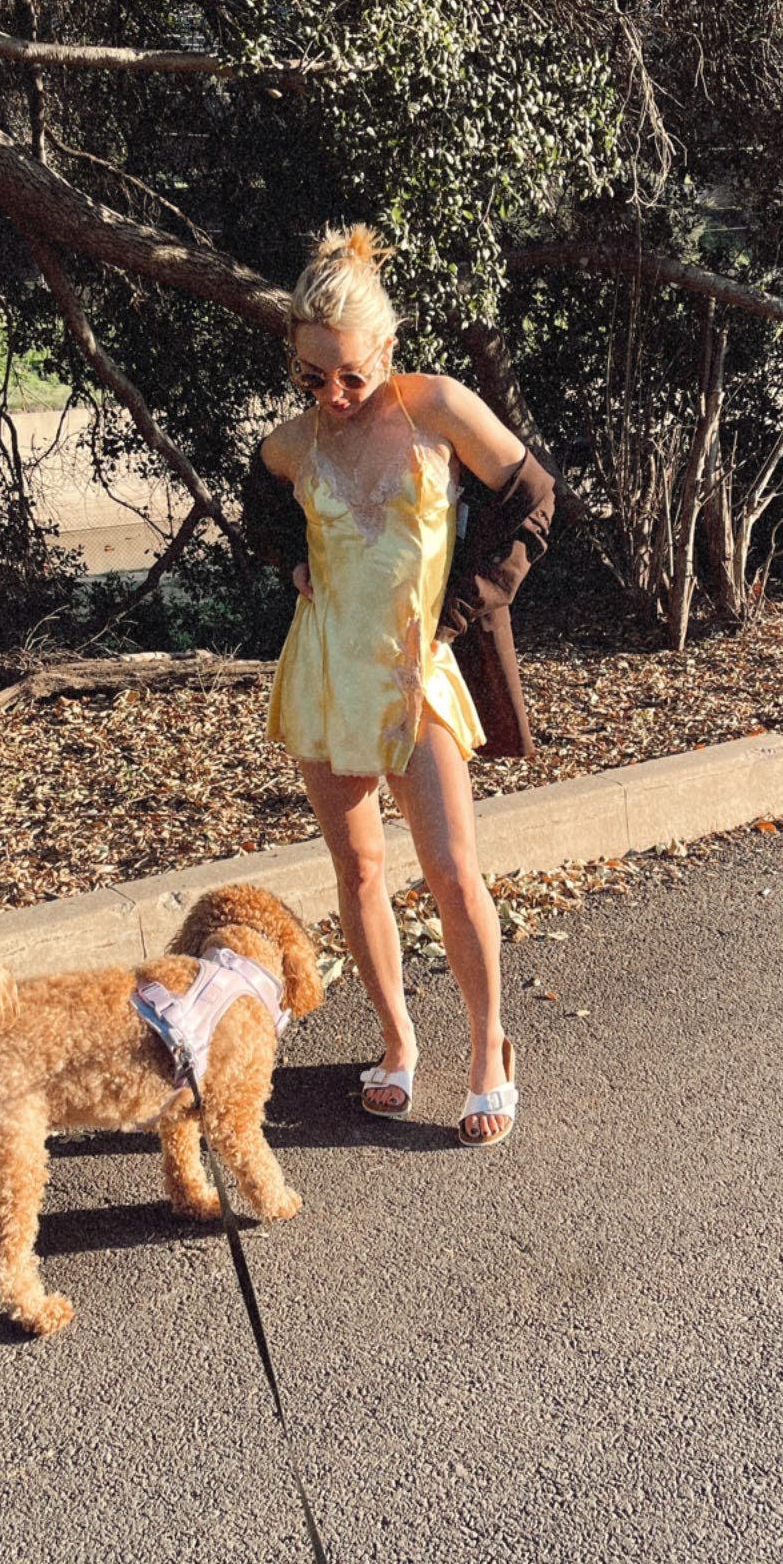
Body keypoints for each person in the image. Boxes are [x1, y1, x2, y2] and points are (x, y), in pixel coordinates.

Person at [244, 225, 555, 1147]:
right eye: (312, 376)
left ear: (388, 347)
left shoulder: (437, 407)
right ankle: (396, 1041)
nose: (335, 395)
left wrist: (460, 612)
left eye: (352, 374)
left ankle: (489, 1050)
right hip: (326, 673)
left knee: (453, 871)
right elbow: (259, 508)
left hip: (417, 671)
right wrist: (292, 565)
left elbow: (535, 501)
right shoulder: (292, 444)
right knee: (359, 868)